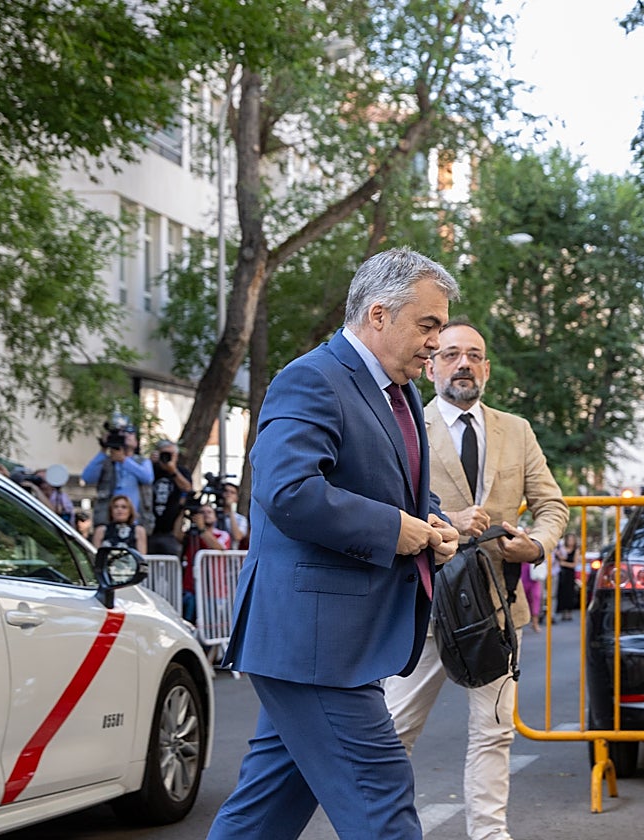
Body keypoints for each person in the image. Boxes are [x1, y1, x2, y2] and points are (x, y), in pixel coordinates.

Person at [206, 248, 461, 840]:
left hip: (325, 644)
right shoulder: (311, 377)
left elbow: (377, 486)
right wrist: (394, 531)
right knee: (382, 796)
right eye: (427, 326)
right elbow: (287, 489)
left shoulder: (396, 395)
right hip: (314, 643)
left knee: (261, 817)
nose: (435, 342)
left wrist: (434, 522)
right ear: (378, 314)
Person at [384, 318, 568, 840]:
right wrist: (444, 526)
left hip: (496, 607)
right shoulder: (405, 428)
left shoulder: (517, 430)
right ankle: (387, 830)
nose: (462, 363)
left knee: (493, 732)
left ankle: (489, 835)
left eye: (473, 355)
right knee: (395, 731)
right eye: (450, 354)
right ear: (432, 364)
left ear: (485, 367)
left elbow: (552, 503)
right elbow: (390, 508)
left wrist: (536, 544)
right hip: (423, 604)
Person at [82, 424, 154, 530]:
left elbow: (147, 478)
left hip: (136, 521)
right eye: (122, 433)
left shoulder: (142, 462)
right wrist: (103, 449)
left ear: (136, 442)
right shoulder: (106, 461)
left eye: (130, 433)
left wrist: (123, 460)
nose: (126, 435)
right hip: (107, 521)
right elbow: (87, 478)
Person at [181, 503, 230, 623]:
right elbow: (177, 536)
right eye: (202, 512)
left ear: (216, 517)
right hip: (190, 588)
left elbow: (218, 547)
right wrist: (181, 512)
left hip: (212, 590)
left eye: (209, 512)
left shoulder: (222, 534)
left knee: (209, 625)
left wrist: (201, 528)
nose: (205, 515)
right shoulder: (192, 534)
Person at [149, 439, 193, 556]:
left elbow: (187, 488)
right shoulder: (150, 470)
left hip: (171, 530)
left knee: (172, 566)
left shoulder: (182, 471)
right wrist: (149, 463)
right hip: (149, 528)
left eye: (170, 454)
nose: (166, 457)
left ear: (176, 456)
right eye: (163, 453)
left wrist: (173, 470)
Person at [554, 533, 579, 620]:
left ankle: (569, 612)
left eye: (572, 540)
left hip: (570, 574)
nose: (570, 541)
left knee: (569, 593)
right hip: (561, 573)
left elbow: (574, 564)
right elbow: (560, 557)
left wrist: (564, 563)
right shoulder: (562, 549)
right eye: (569, 540)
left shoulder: (576, 550)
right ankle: (563, 611)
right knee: (562, 592)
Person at [219, 482, 249, 547]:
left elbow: (237, 537)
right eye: (226, 491)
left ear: (236, 498)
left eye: (232, 492)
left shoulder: (241, 519)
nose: (228, 494)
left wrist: (230, 509)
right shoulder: (213, 514)